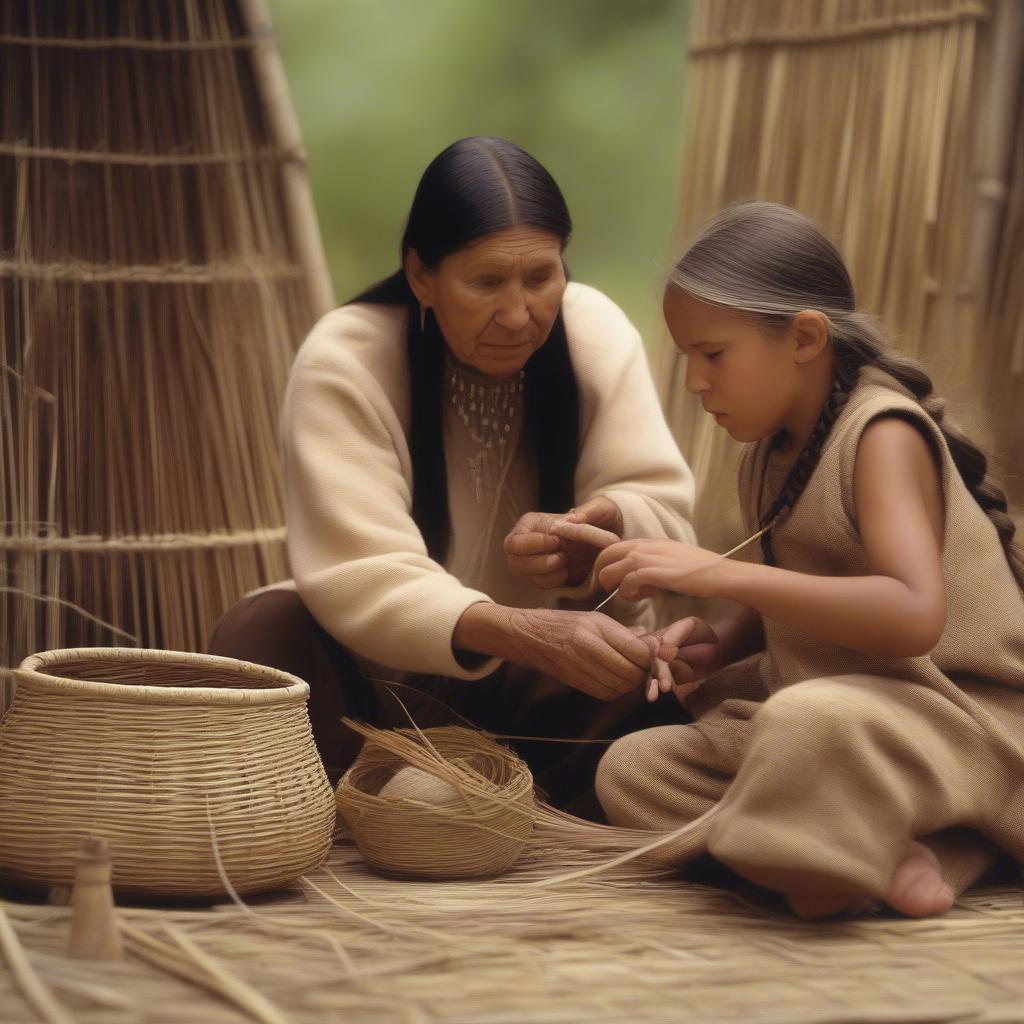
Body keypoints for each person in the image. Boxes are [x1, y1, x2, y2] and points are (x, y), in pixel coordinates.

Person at [209, 136, 696, 817]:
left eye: (540, 277)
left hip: (543, 685)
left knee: (657, 680)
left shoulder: (596, 334)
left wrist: (608, 527)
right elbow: (361, 568)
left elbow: (663, 506)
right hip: (383, 686)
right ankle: (359, 807)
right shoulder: (346, 358)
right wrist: (515, 628)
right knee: (264, 634)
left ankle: (523, 807)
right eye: (487, 282)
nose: (520, 314)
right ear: (420, 277)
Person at [592, 201, 1024, 916]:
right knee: (635, 771)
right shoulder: (771, 454)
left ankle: (861, 843)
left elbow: (913, 615)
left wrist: (710, 572)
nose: (697, 383)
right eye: (688, 358)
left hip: (961, 721)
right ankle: (892, 845)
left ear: (804, 337)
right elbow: (803, 588)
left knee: (803, 724)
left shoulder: (881, 435)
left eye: (713, 354)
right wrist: (724, 635)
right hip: (853, 718)